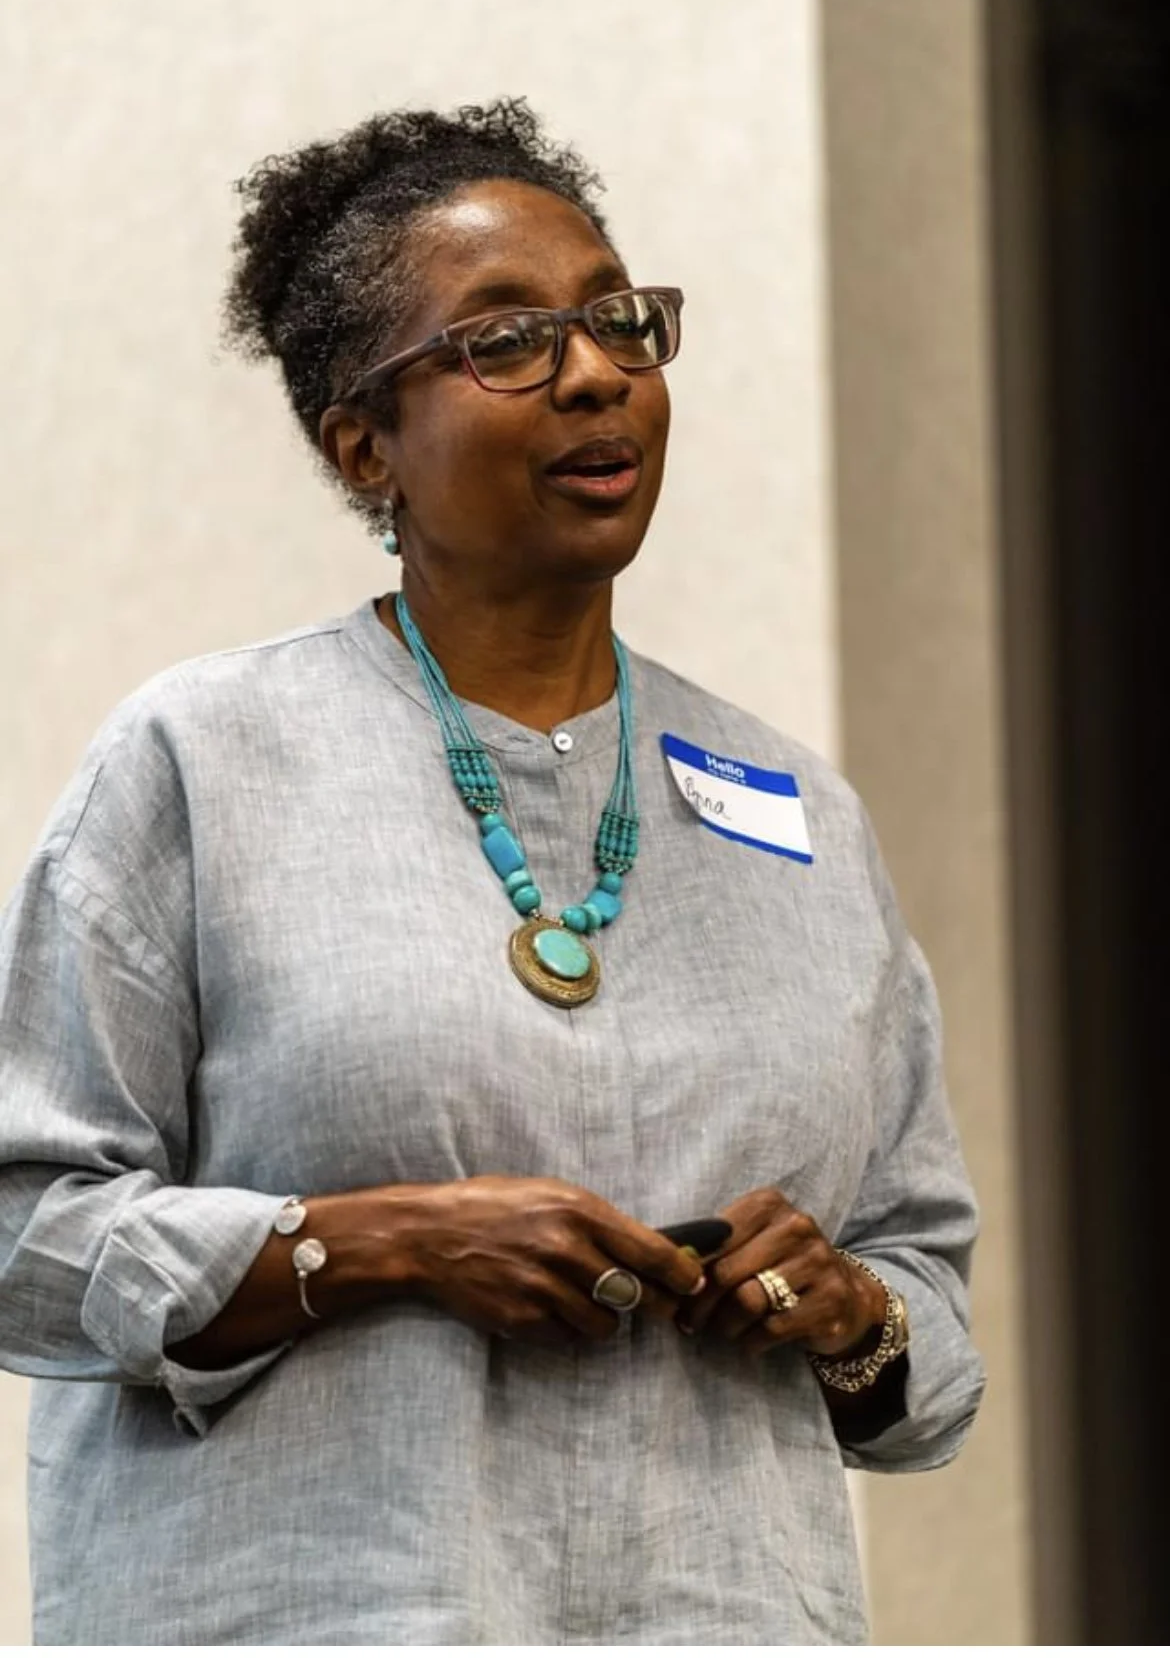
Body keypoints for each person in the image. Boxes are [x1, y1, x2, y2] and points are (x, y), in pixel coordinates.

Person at [0, 98, 984, 1645]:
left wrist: (854, 1315)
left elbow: (922, 1296)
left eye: (619, 322)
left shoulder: (799, 811)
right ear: (362, 443)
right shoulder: (202, 759)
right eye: (506, 341)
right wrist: (367, 1244)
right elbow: (25, 1239)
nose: (594, 370)